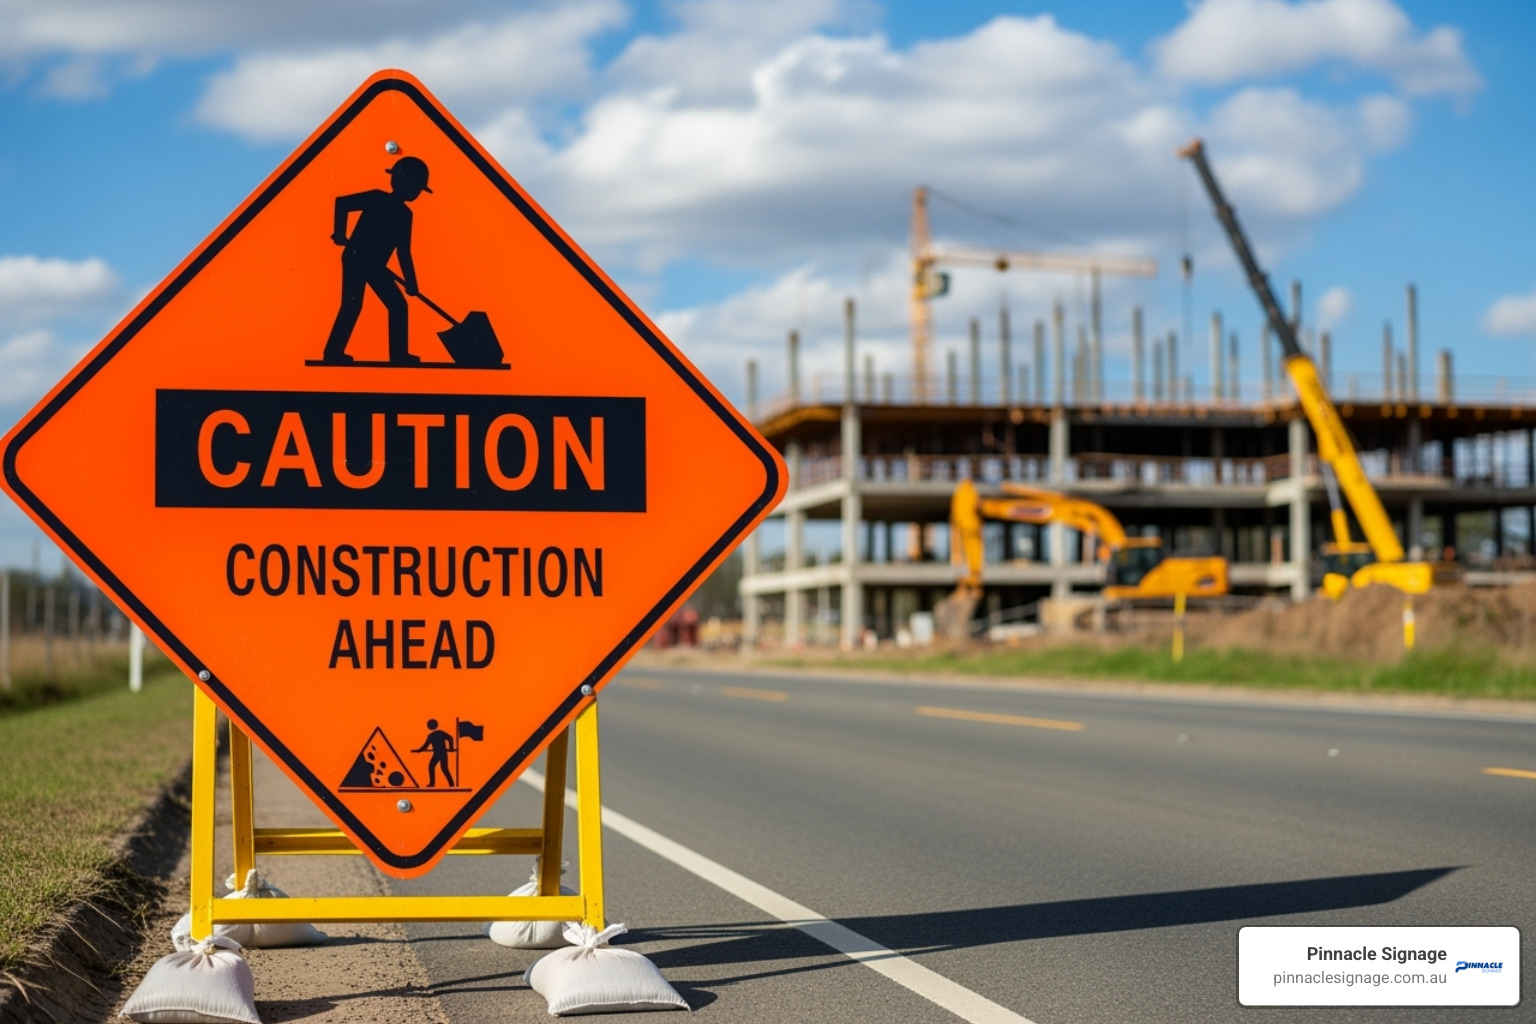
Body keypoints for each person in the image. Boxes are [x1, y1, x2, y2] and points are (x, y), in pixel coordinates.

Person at [320, 156, 431, 366]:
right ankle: (332, 353)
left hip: (376, 266)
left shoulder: (406, 215)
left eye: (418, 189)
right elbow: (342, 203)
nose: (415, 193)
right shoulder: (376, 198)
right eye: (414, 187)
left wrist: (411, 282)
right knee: (352, 305)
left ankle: (399, 356)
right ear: (402, 182)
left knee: (398, 305)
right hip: (356, 258)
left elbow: (404, 251)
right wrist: (340, 233)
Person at [412, 718, 455, 787]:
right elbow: (425, 746)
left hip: (440, 753)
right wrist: (451, 747)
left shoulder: (435, 734)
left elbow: (450, 738)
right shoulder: (434, 734)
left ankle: (449, 784)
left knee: (440, 768)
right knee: (440, 768)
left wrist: (451, 748)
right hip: (439, 753)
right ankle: (449, 783)